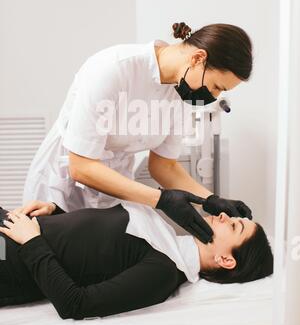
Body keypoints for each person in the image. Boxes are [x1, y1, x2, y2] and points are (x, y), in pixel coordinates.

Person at [22, 22, 254, 244]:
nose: (212, 97)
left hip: (115, 183)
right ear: (198, 58)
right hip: (61, 183)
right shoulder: (114, 69)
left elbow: (163, 166)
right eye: (216, 87)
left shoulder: (182, 94)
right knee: (48, 260)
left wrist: (210, 200)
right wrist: (161, 200)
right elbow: (80, 166)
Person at [0, 200, 273, 320]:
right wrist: (56, 213)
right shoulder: (167, 240)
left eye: (234, 227)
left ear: (226, 260)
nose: (224, 216)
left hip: (9, 258)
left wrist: (33, 242)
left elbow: (75, 304)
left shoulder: (163, 272)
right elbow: (93, 249)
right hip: (13, 226)